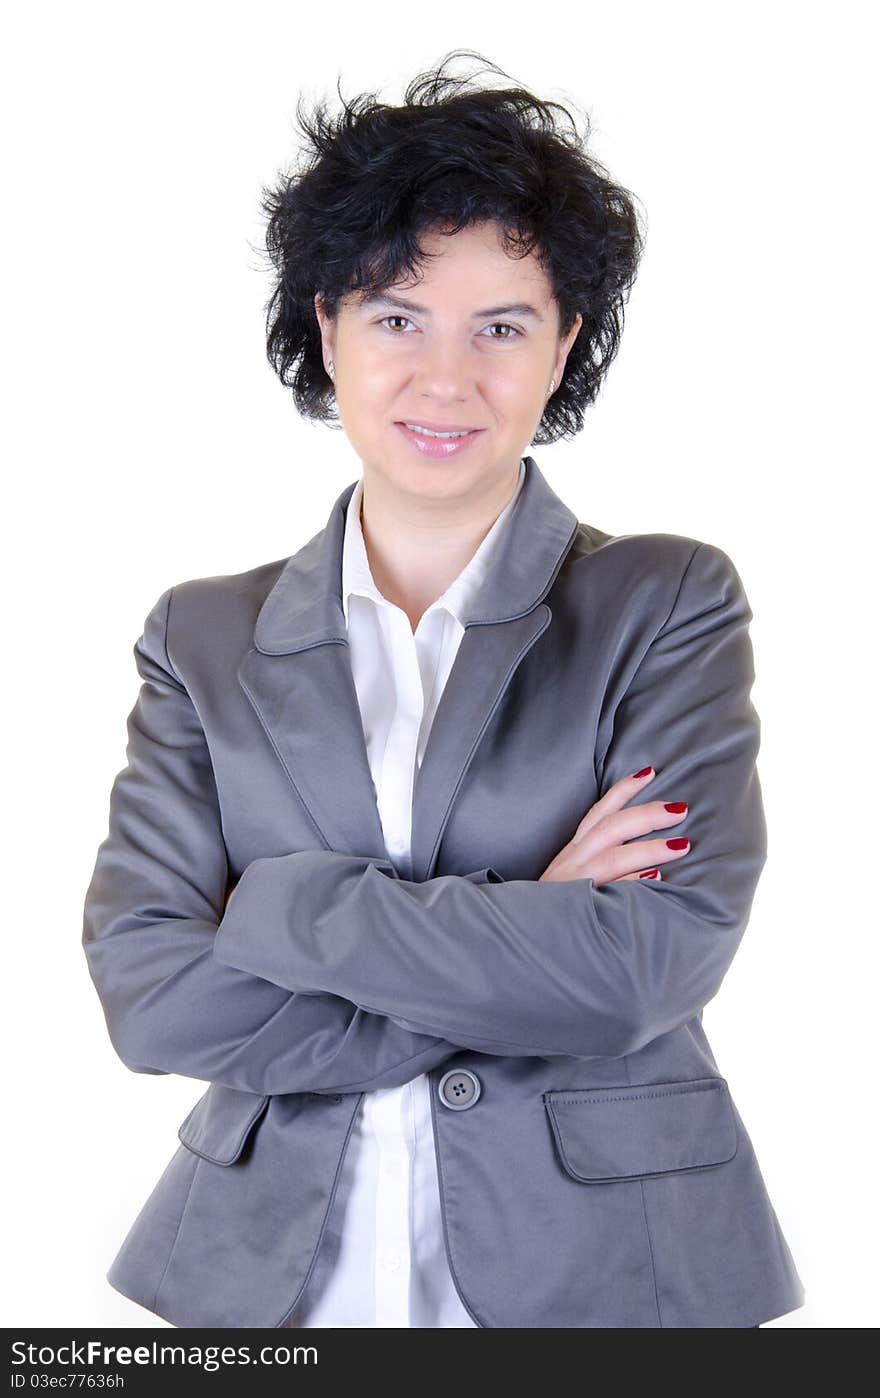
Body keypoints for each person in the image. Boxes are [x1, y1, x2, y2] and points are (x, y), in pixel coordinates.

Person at [82, 50, 805, 1329]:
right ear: (328, 327)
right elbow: (155, 1000)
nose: (445, 379)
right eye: (398, 317)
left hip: (612, 1275)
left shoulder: (665, 603)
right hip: (267, 1289)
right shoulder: (199, 637)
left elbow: (642, 970)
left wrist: (288, 906)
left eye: (503, 326)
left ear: (564, 341)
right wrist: (532, 918)